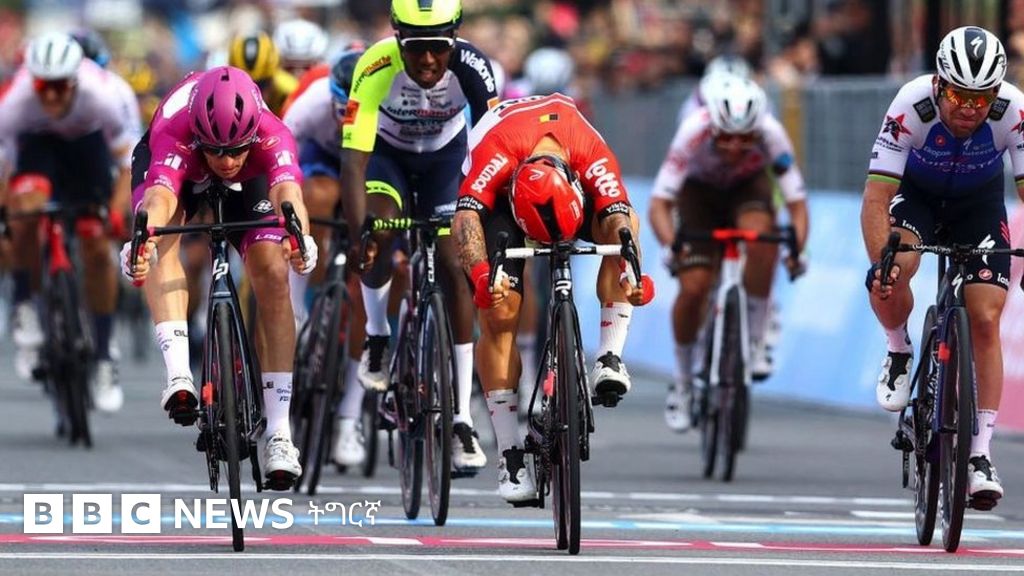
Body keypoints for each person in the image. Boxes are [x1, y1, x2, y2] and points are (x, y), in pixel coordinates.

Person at [121, 66, 317, 490]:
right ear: (200, 135)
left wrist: (300, 236)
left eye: (236, 151)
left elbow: (288, 194)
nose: (227, 162)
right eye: (217, 151)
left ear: (252, 135)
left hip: (251, 181)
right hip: (177, 167)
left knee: (273, 271)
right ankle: (179, 374)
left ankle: (279, 433)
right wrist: (142, 237)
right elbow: (160, 196)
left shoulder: (272, 133)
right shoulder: (176, 127)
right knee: (160, 242)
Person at [453, 92, 654, 502]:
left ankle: (609, 356)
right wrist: (481, 276)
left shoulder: (588, 150)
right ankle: (509, 453)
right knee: (499, 311)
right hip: (504, 202)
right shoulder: (496, 150)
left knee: (623, 228)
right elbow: (466, 218)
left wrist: (633, 274)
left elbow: (619, 218)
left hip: (565, 180)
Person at [863, 26, 1024, 506]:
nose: (970, 108)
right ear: (938, 84)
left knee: (986, 316)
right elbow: (876, 198)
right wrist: (881, 264)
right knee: (895, 268)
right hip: (917, 199)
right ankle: (898, 348)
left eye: (981, 98)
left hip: (978, 205)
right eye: (958, 95)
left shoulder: (1013, 110)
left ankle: (979, 455)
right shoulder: (911, 105)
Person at [340, 0, 500, 474]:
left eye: (438, 48)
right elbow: (353, 162)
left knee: (455, 264)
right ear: (396, 38)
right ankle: (377, 335)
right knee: (379, 233)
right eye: (415, 48)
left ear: (455, 38)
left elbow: (495, 146)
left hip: (446, 160)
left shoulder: (473, 67)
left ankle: (462, 417)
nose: (428, 60)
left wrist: (488, 224)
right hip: (387, 157)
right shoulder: (375, 66)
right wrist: (360, 235)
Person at [649, 74, 809, 433]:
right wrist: (671, 244)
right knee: (694, 286)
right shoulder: (693, 129)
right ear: (712, 126)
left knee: (763, 237)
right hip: (698, 193)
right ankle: (683, 380)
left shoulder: (771, 132)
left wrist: (798, 250)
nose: (735, 147)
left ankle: (754, 341)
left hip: (747, 189)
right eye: (726, 137)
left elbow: (797, 203)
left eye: (745, 138)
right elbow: (659, 203)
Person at [0, 32, 136, 413]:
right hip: (37, 147)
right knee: (25, 212)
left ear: (75, 81)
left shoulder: (103, 95)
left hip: (87, 148)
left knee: (97, 245)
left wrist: (115, 211)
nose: (51, 96)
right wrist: (8, 217)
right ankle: (25, 303)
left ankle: (105, 356)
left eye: (60, 86)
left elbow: (129, 162)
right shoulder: (16, 103)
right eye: (43, 87)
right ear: (32, 81)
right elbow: (4, 169)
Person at [283, 49, 370, 467]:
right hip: (322, 163)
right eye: (341, 108)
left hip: (372, 163)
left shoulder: (387, 103)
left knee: (370, 279)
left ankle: (349, 417)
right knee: (315, 198)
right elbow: (279, 158)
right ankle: (299, 306)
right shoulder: (312, 103)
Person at [228, 32, 297, 116]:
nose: (254, 95)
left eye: (262, 84)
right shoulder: (222, 97)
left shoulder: (290, 91)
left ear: (273, 78)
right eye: (243, 86)